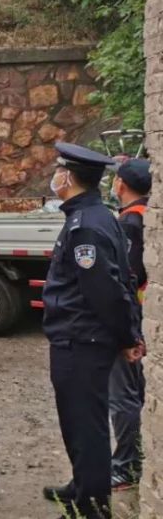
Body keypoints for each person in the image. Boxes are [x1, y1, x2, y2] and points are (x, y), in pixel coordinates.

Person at [37, 142, 144, 519]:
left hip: (82, 340)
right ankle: (82, 487)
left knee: (87, 427)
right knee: (78, 423)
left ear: (68, 178)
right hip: (80, 339)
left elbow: (106, 290)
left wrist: (127, 334)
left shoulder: (87, 226)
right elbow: (124, 280)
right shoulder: (96, 216)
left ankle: (90, 515)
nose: (55, 177)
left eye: (59, 170)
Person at [108, 158, 150, 491]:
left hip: (133, 316)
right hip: (145, 313)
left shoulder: (129, 223)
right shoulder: (149, 215)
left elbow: (128, 276)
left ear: (121, 185)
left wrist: (126, 330)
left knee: (123, 395)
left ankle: (125, 467)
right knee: (137, 392)